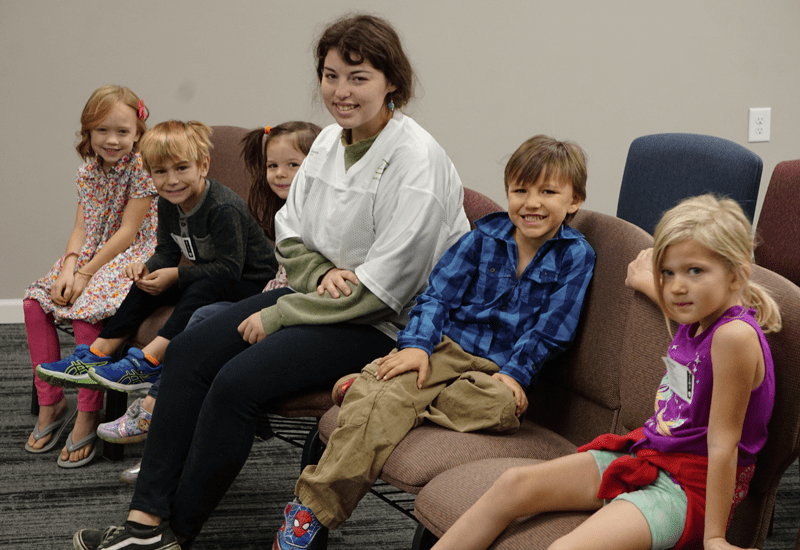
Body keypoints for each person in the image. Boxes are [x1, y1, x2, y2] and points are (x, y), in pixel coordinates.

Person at [72, 13, 470, 550]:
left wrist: (281, 312)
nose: (341, 91)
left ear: (391, 80)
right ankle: (143, 525)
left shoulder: (416, 161)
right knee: (188, 351)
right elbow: (290, 233)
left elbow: (381, 292)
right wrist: (323, 272)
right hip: (320, 297)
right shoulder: (329, 142)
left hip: (385, 327)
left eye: (358, 77)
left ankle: (178, 535)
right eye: (331, 76)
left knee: (237, 384)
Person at [273, 134, 596, 549]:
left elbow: (555, 327)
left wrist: (518, 373)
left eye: (548, 192)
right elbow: (436, 296)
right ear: (509, 193)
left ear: (574, 201)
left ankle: (374, 388)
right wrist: (418, 346)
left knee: (501, 409)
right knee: (398, 387)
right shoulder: (483, 238)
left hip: (495, 372)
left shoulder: (575, 255)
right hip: (445, 348)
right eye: (521, 190)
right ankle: (311, 511)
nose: (532, 203)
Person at [430, 194, 781, 550]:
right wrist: (646, 281)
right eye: (668, 272)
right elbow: (679, 302)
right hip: (650, 454)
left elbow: (724, 444)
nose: (676, 287)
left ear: (738, 273)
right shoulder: (702, 313)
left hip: (688, 488)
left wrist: (715, 539)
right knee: (512, 485)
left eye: (695, 271)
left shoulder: (733, 337)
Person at [100, 120, 321, 485]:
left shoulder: (317, 215)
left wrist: (268, 311)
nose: (280, 174)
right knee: (201, 319)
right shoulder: (283, 211)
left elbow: (263, 278)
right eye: (272, 166)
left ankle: (157, 423)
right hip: (269, 299)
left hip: (287, 312)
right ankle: (165, 446)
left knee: (201, 326)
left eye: (293, 165)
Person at [38, 120, 277, 401]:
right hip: (213, 274)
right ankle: (98, 353)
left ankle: (149, 362)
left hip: (252, 282)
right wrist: (148, 268)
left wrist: (174, 275)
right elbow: (166, 251)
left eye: (181, 168)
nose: (172, 180)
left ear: (203, 165)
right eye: (161, 172)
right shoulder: (166, 203)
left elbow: (229, 269)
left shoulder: (222, 208)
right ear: (150, 175)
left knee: (201, 288)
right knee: (145, 285)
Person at [23, 85, 157, 468]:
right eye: (102, 131)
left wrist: (84, 274)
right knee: (35, 301)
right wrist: (69, 267)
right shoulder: (87, 172)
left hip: (127, 253)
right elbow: (81, 229)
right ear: (88, 132)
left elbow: (128, 233)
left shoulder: (142, 169)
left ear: (137, 132)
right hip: (91, 251)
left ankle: (88, 411)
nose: (112, 140)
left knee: (87, 310)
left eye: (122, 131)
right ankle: (51, 402)